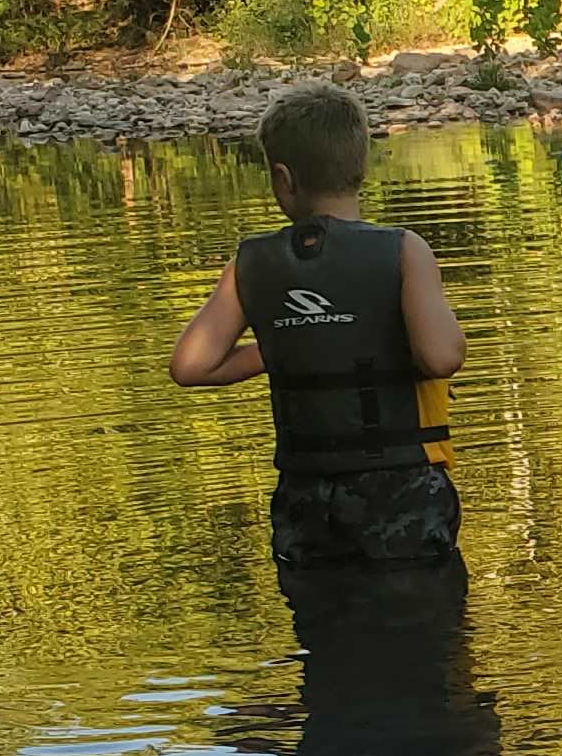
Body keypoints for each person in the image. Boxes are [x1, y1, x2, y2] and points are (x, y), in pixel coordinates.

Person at [167, 81, 467, 575]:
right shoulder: (404, 249)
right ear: (361, 167)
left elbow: (191, 365)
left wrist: (293, 343)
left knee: (322, 635)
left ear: (283, 179)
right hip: (401, 492)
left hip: (307, 499)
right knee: (427, 637)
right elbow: (440, 357)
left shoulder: (252, 263)